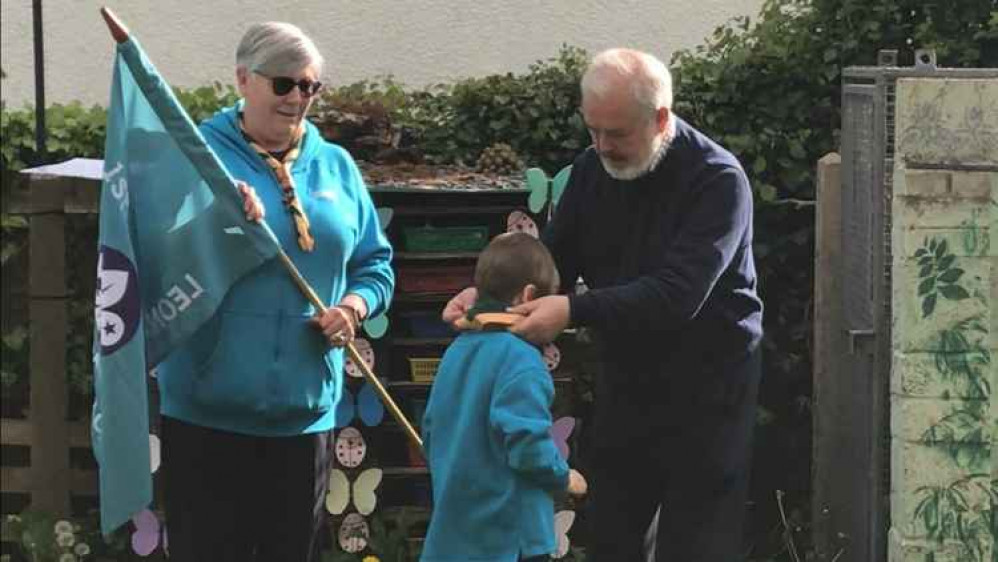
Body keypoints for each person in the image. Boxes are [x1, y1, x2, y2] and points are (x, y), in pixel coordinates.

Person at [443, 48, 763, 561]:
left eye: (616, 134)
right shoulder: (591, 170)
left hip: (708, 389)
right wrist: (486, 302)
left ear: (660, 119)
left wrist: (572, 311)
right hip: (626, 379)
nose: (602, 146)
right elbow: (550, 265)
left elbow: (677, 294)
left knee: (697, 543)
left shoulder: (717, 181)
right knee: (612, 534)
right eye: (592, 130)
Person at [155, 22, 394, 562]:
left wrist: (354, 307)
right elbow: (157, 253)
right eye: (283, 85)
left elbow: (375, 264)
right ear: (243, 79)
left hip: (303, 416)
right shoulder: (197, 156)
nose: (298, 99)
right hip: (206, 414)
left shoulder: (336, 166)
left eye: (310, 87)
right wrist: (215, 220)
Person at [422, 232, 587, 562]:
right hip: (511, 539)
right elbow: (528, 446)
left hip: (456, 532)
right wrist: (564, 477)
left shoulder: (456, 352)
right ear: (528, 295)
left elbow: (430, 429)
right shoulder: (522, 360)